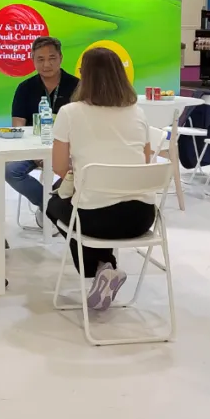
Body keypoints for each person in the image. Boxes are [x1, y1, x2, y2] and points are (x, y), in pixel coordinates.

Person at [46, 47, 156, 312]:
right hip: (142, 216)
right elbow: (145, 162)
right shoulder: (138, 113)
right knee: (78, 205)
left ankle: (100, 268)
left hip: (96, 218)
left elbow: (59, 168)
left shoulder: (70, 112)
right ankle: (104, 269)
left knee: (54, 204)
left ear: (85, 76)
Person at [7, 36, 80, 226]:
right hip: (33, 150)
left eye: (52, 58)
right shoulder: (25, 88)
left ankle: (56, 208)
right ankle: (50, 206)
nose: (46, 64)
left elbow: (84, 127)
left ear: (61, 58)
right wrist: (34, 153)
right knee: (10, 171)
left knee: (83, 171)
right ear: (33, 60)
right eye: (40, 59)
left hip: (70, 151)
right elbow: (18, 127)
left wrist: (63, 154)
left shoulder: (78, 86)